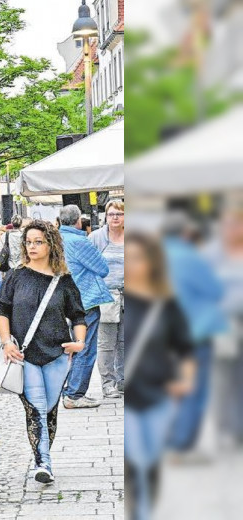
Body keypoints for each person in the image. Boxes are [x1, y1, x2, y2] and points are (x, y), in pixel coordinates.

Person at [0, 220, 88, 485]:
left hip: (56, 354)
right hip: (24, 356)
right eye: (29, 242)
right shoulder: (15, 276)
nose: (32, 246)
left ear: (51, 244)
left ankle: (43, 455)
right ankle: (43, 463)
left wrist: (78, 342)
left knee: (49, 409)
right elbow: (2, 312)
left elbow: (79, 316)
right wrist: (6, 342)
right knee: (35, 408)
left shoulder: (64, 280)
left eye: (38, 242)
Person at [122, 232, 195, 520]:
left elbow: (185, 347)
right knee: (136, 461)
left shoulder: (168, 303)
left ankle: (149, 507)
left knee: (152, 462)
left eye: (138, 258)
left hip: (160, 393)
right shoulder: (119, 300)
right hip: (129, 393)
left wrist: (186, 381)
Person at [163, 213, 226, 454]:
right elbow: (215, 290)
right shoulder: (191, 257)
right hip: (194, 330)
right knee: (194, 386)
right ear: (185, 233)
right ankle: (182, 441)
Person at [56, 204, 111, 410]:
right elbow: (102, 268)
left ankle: (66, 389)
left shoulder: (55, 240)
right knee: (85, 346)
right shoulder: (79, 241)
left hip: (62, 300)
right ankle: (75, 394)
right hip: (84, 298)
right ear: (78, 220)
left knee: (68, 347)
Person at [89, 200, 125, 399]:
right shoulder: (96, 238)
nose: (115, 218)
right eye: (111, 214)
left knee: (126, 340)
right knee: (106, 342)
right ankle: (108, 383)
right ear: (106, 216)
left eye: (119, 214)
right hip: (106, 295)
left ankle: (123, 380)